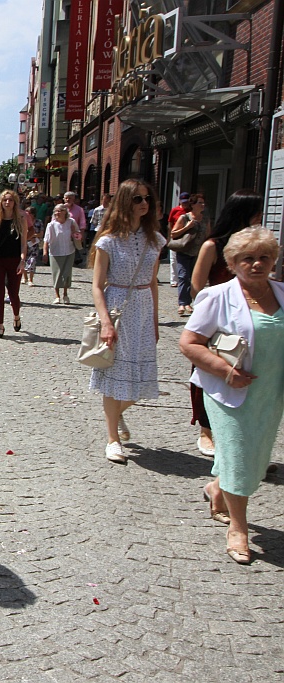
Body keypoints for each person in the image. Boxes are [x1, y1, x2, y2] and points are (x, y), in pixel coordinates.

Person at [180, 227, 284, 564]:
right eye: (247, 259)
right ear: (233, 262)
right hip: (227, 391)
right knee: (240, 455)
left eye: (264, 257)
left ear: (274, 260)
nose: (256, 264)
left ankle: (216, 488)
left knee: (256, 457)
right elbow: (189, 343)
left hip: (270, 392)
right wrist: (226, 372)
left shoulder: (282, 293)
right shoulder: (218, 296)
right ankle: (239, 528)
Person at [88, 179, 165, 464]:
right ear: (124, 202)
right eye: (137, 199)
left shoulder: (155, 240)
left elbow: (154, 282)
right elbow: (97, 285)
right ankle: (112, 438)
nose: (144, 203)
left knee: (141, 380)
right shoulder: (108, 241)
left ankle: (116, 413)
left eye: (147, 198)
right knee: (113, 378)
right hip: (117, 307)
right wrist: (105, 322)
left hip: (143, 309)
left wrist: (155, 320)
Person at [188, 190, 264, 459]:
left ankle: (243, 442)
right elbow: (196, 285)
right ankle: (206, 430)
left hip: (252, 319)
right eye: (256, 212)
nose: (260, 217)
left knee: (247, 376)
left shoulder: (257, 248)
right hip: (219, 322)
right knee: (208, 374)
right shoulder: (214, 245)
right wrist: (216, 309)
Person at [0, 190, 28, 337]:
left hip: (14, 260)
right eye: (5, 200)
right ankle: (0, 325)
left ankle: (16, 316)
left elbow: (24, 244)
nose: (7, 203)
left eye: (10, 200)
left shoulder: (21, 219)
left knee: (13, 293)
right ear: (1, 202)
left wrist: (22, 260)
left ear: (15, 202)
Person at [170, 192, 207, 316]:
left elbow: (208, 236)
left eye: (203, 202)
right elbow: (173, 234)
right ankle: (182, 303)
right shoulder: (184, 218)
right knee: (183, 276)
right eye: (200, 203)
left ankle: (188, 303)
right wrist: (187, 227)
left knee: (193, 279)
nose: (203, 205)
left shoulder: (205, 219)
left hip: (198, 253)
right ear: (193, 204)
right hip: (184, 251)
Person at [43, 204, 78, 304]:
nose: (57, 213)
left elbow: (78, 234)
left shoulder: (71, 222)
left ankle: (65, 295)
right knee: (57, 274)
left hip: (69, 251)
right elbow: (46, 240)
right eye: (56, 211)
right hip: (55, 252)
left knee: (66, 274)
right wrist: (45, 253)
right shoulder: (51, 225)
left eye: (60, 211)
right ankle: (57, 296)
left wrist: (74, 232)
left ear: (65, 212)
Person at [168, 192, 191, 287]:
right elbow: (170, 224)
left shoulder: (191, 211)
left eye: (186, 201)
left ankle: (185, 278)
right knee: (173, 259)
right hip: (176, 236)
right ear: (180, 201)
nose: (185, 204)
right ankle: (174, 280)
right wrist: (169, 237)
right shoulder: (175, 210)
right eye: (183, 201)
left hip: (187, 238)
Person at [23, 206, 40, 287]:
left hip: (34, 245)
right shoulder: (23, 221)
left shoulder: (38, 222)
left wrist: (33, 236)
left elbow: (41, 234)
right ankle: (25, 277)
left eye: (28, 213)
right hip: (25, 244)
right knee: (24, 260)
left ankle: (31, 279)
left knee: (32, 261)